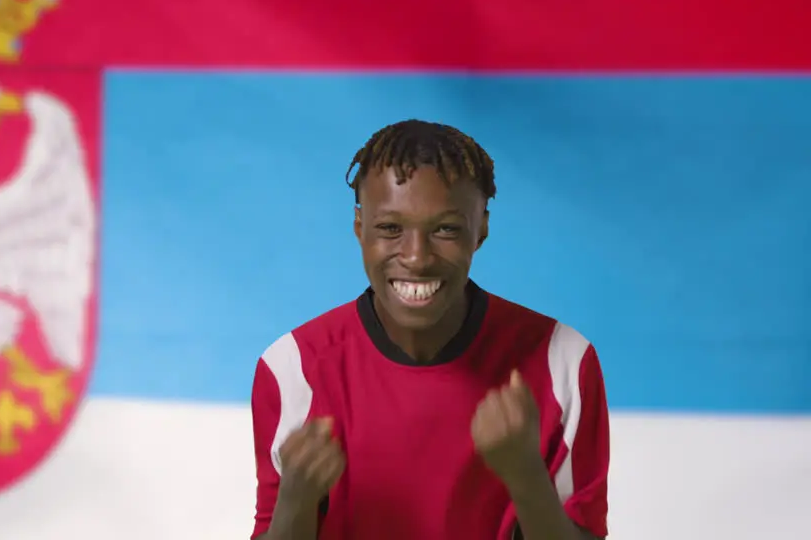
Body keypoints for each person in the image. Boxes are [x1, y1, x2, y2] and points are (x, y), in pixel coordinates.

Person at [249, 120, 609, 540]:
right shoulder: (293, 368)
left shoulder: (561, 359)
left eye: (446, 229)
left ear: (482, 230)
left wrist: (526, 476)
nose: (417, 257)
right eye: (390, 229)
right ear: (359, 227)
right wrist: (296, 500)